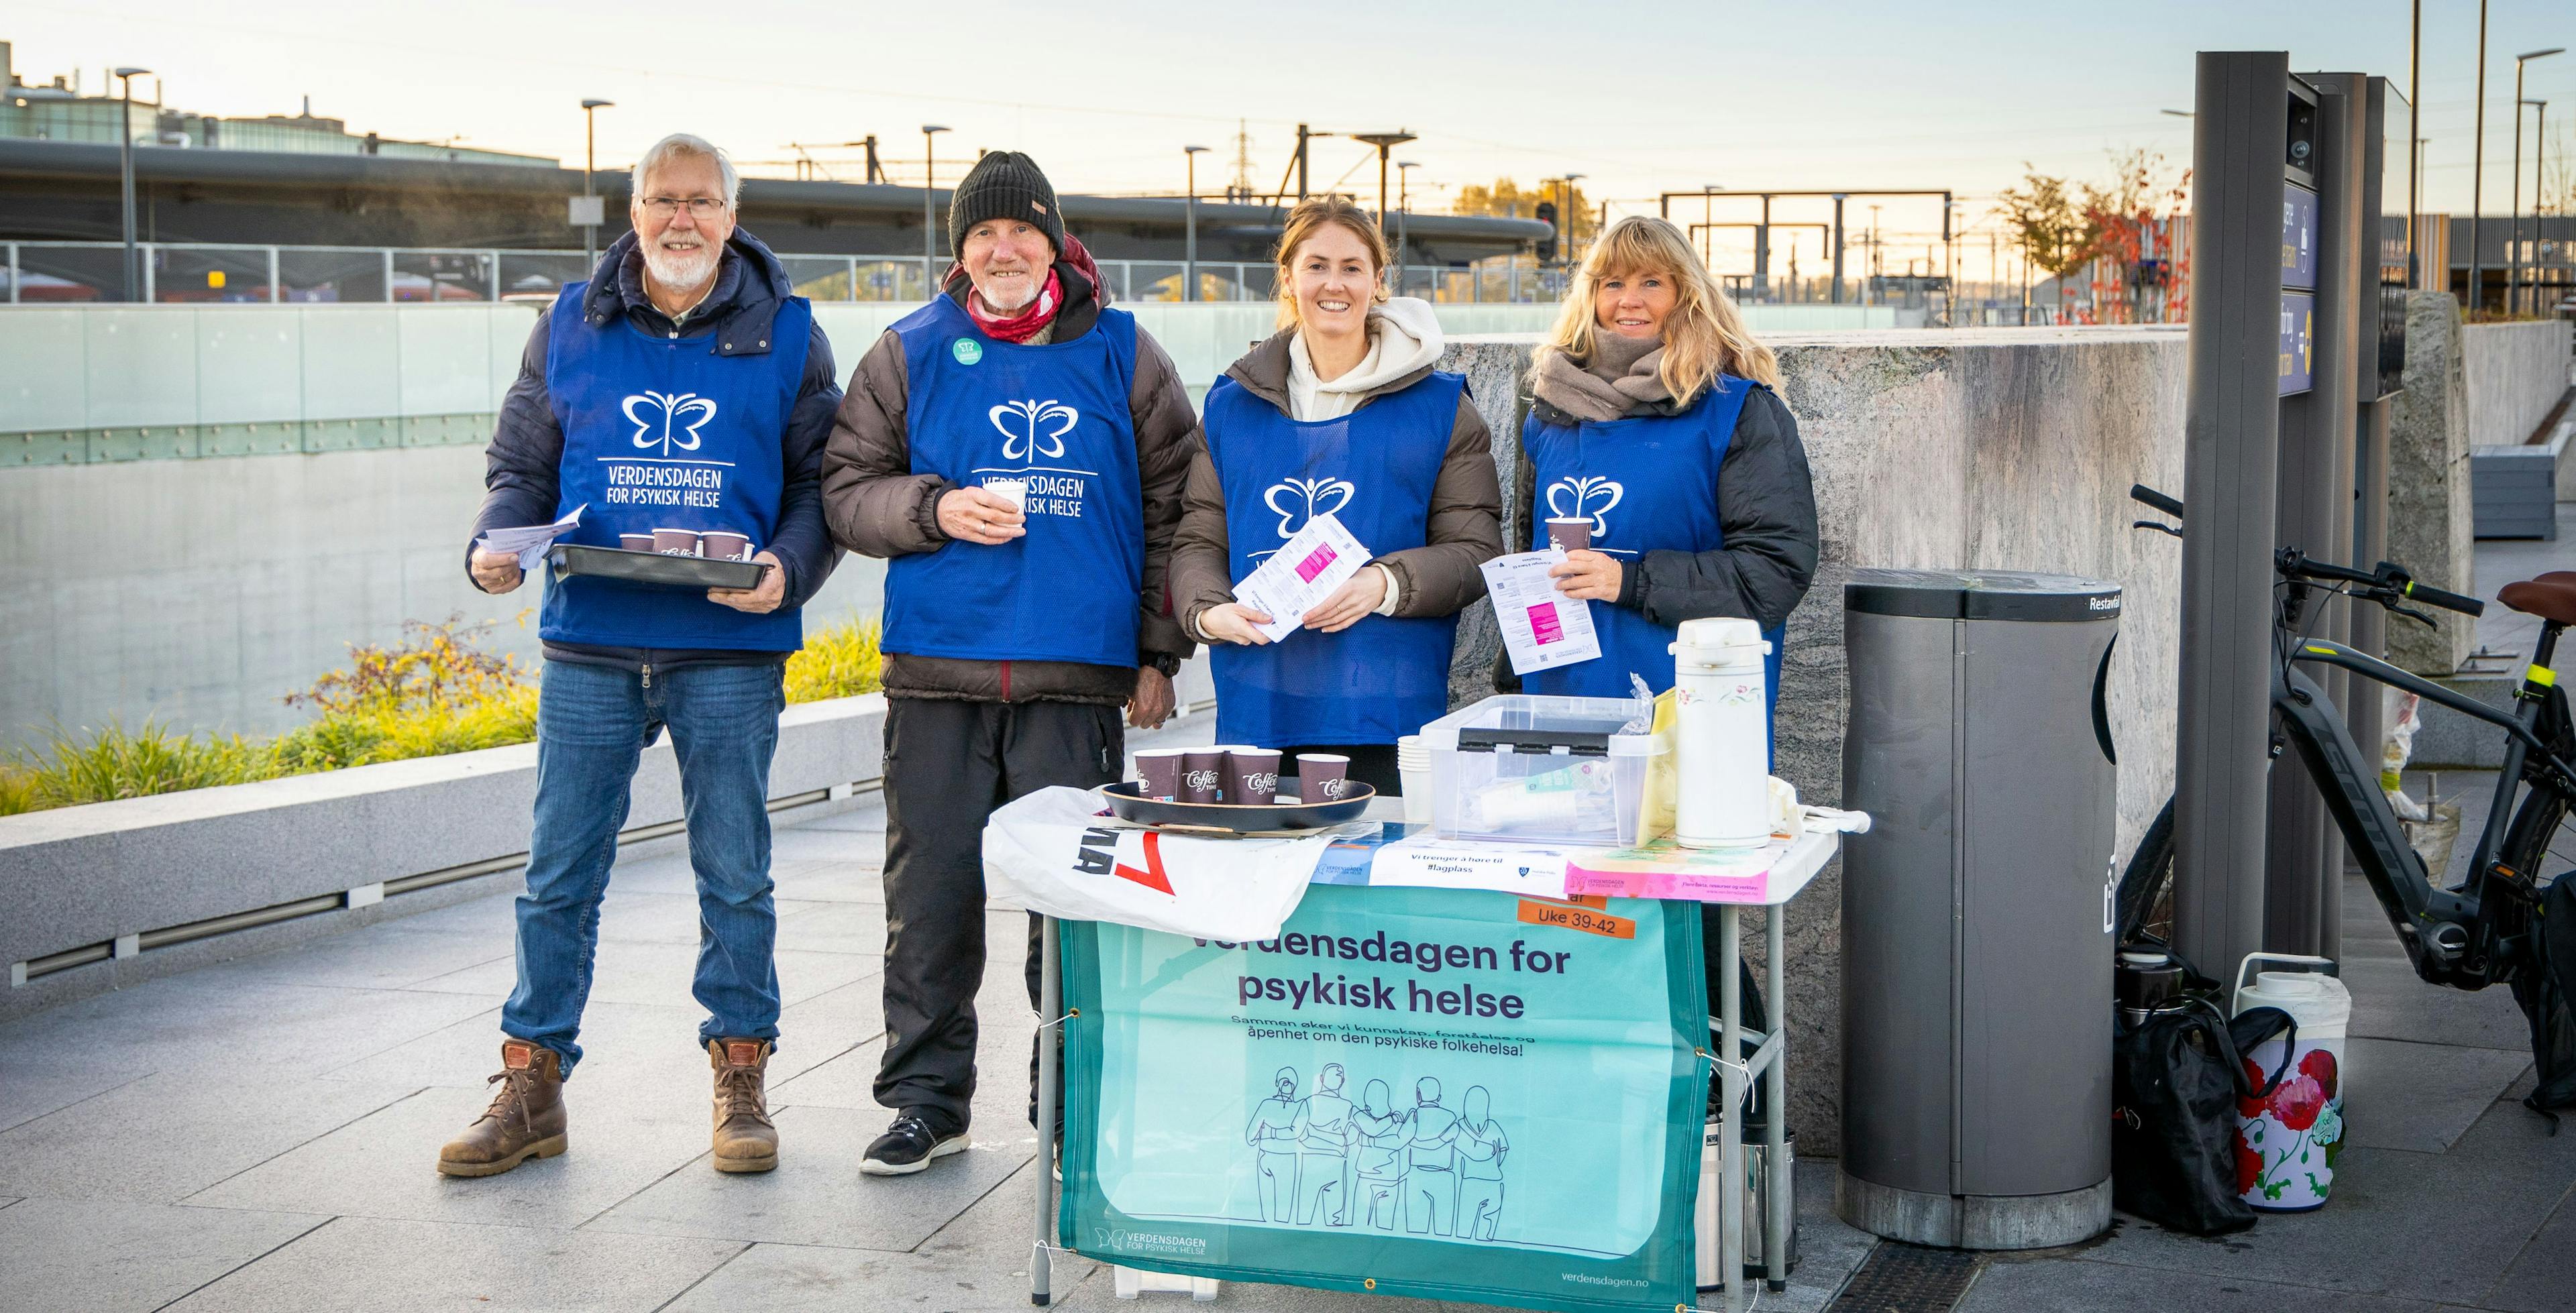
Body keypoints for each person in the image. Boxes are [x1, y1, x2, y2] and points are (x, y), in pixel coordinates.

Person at [440, 133, 843, 1179]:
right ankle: (531, 1082)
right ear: (633, 210)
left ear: (732, 213)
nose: (681, 220)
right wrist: (494, 543)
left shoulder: (792, 334)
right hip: (592, 644)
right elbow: (520, 464)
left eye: (701, 202)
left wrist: (788, 570)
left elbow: (819, 489)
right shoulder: (569, 324)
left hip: (730, 648)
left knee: (735, 874)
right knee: (558, 873)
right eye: (662, 200)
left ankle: (742, 1074)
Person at [822, 150, 1196, 1176]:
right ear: (962, 249)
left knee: (1070, 907)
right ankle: (926, 1103)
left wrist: (1159, 647)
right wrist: (933, 508)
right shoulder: (909, 349)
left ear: (1053, 241)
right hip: (939, 671)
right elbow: (846, 488)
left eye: (1020, 232)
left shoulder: (1122, 349)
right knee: (930, 899)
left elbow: (1177, 501)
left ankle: (1072, 1106)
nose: (1002, 250)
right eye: (982, 235)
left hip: (1074, 678)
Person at [1515, 215, 1816, 1053]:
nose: (1629, 300)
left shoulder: (1736, 410)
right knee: (1582, 936)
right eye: (1612, 283)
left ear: (1686, 291)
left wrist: (1631, 578)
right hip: (1569, 712)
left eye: (1650, 281)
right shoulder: (1550, 415)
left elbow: (1776, 571)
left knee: (1688, 936)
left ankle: (1736, 1131)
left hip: (1689, 721)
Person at [1173, 196, 1501, 797]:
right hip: (1261, 703)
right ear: (1289, 277)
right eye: (1317, 265)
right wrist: (1207, 611)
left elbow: (1476, 551)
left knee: (1372, 887)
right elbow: (1199, 536)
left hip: (1382, 705)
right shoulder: (1231, 405)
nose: (1334, 284)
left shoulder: (1441, 408)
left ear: (1379, 281)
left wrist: (1384, 584)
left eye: (1352, 267)